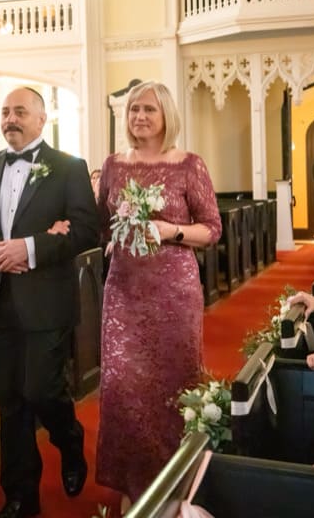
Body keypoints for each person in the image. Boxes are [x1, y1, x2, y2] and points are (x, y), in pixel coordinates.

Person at [0, 87, 99, 518]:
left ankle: (69, 439)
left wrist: (29, 249)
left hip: (46, 300)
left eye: (20, 111)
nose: (10, 119)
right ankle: (20, 497)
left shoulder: (69, 168)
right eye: (4, 112)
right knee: (11, 400)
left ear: (42, 119)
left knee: (41, 389)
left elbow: (86, 230)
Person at [95, 81, 222, 512]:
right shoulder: (113, 166)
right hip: (124, 292)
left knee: (174, 384)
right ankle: (134, 486)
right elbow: (101, 221)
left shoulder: (188, 164)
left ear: (167, 114)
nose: (140, 117)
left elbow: (212, 229)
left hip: (173, 290)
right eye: (133, 110)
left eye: (148, 109)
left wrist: (171, 232)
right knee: (123, 388)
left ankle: (178, 482)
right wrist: (113, 238)